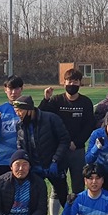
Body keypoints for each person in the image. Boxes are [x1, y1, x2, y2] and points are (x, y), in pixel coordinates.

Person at [12, 96, 71, 215]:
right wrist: (28, 164)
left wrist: (55, 161)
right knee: (34, 198)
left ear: (29, 109)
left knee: (63, 195)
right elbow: (20, 145)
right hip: (35, 168)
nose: (18, 114)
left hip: (54, 166)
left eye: (19, 111)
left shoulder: (51, 119)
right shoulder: (20, 125)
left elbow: (64, 140)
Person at [39, 68, 95, 198]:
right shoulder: (56, 100)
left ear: (80, 83)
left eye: (75, 81)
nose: (72, 84)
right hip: (58, 150)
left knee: (79, 185)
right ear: (64, 83)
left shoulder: (86, 102)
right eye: (69, 81)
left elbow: (89, 125)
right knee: (57, 187)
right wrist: (46, 99)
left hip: (77, 150)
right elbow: (41, 116)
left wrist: (77, 142)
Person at [0, 75, 25, 177]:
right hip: (4, 159)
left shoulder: (28, 109)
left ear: (21, 89)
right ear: (5, 89)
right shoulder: (0, 110)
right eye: (10, 89)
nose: (13, 92)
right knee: (3, 188)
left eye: (16, 89)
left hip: (23, 159)